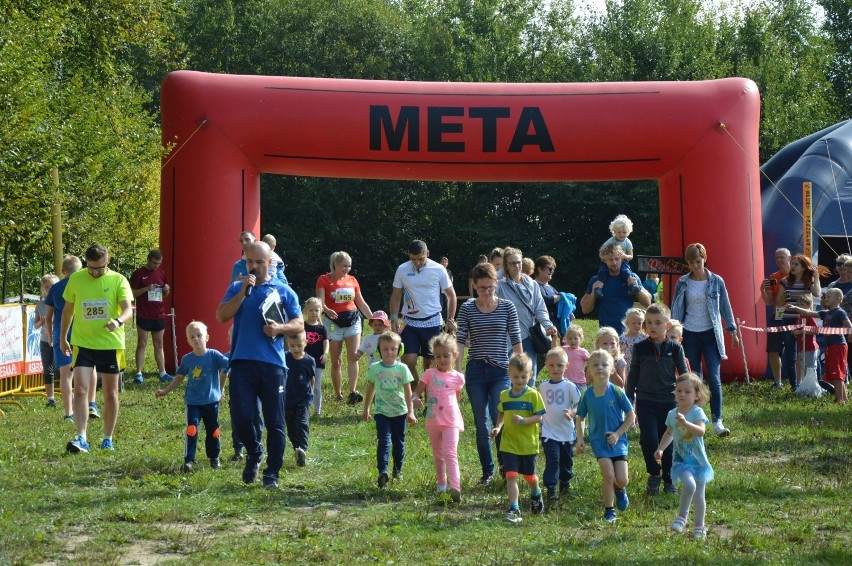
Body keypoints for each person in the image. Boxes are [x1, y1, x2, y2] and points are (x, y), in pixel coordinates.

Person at [216, 241, 303, 489]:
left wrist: (280, 328)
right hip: (242, 362)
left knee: (275, 420)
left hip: (273, 365)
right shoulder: (236, 287)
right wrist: (243, 292)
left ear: (270, 263)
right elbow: (221, 316)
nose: (253, 267)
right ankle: (254, 452)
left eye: (259, 262)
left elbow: (299, 324)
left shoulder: (284, 291)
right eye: (249, 261)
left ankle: (272, 472)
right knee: (242, 417)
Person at [61, 244, 133, 453]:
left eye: (99, 268)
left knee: (110, 393)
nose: (95, 272)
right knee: (81, 389)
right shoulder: (76, 279)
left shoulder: (118, 279)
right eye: (91, 268)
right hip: (83, 342)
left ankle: (107, 438)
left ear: (107, 261)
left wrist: (118, 321)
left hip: (110, 344)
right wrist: (63, 338)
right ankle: (81, 436)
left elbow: (128, 309)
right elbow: (68, 310)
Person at [456, 262, 522, 485]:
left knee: (498, 419)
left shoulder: (507, 307)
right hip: (475, 370)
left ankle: (506, 468)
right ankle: (487, 471)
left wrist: (520, 368)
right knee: (481, 424)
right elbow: (459, 342)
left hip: (500, 371)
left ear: (496, 284)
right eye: (481, 288)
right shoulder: (467, 308)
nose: (486, 292)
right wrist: (456, 371)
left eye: (490, 287)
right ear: (474, 286)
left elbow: (516, 340)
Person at [671, 243, 740, 436]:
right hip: (689, 334)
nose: (695, 265)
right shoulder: (682, 282)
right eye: (691, 262)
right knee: (695, 379)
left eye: (698, 261)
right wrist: (673, 331)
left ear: (705, 259)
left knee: (715, 378)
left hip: (711, 334)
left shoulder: (717, 281)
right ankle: (695, 420)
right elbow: (676, 308)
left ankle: (718, 421)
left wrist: (732, 330)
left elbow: (726, 306)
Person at [625, 303, 689, 495]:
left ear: (667, 325)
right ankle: (654, 474)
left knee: (667, 441)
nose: (653, 326)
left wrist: (687, 399)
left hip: (669, 402)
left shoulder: (676, 348)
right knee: (649, 439)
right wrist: (629, 401)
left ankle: (669, 480)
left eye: (658, 323)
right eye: (649, 322)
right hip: (645, 402)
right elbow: (633, 375)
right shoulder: (640, 348)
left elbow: (684, 375)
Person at [155, 321, 229, 472]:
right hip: (193, 403)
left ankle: (214, 458)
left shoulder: (214, 355)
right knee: (192, 429)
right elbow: (179, 378)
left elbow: (228, 366)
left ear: (207, 337)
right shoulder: (187, 359)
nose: (196, 339)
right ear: (188, 341)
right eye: (192, 337)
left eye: (199, 335)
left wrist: (221, 390)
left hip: (211, 402)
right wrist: (165, 391)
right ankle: (189, 460)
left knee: (213, 430)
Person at [576, 349, 635, 523]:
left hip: (618, 440)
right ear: (589, 371)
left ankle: (619, 489)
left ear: (612, 370)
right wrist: (580, 439)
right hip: (599, 441)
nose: (599, 367)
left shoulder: (616, 391)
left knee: (622, 479)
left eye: (604, 365)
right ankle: (609, 510)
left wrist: (618, 434)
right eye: (595, 365)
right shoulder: (586, 394)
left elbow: (631, 415)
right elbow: (580, 417)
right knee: (608, 475)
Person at [654, 372, 715, 541]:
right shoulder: (672, 413)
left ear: (697, 395)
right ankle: (682, 517)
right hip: (681, 460)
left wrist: (685, 423)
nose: (682, 394)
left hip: (699, 461)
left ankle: (699, 527)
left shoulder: (697, 412)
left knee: (699, 495)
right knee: (689, 485)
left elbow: (701, 431)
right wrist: (660, 448)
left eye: (687, 392)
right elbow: (669, 433)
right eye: (679, 390)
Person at [389, 240, 457, 386]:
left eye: (420, 259)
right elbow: (396, 295)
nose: (417, 263)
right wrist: (394, 318)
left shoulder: (438, 269)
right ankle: (415, 396)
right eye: (413, 259)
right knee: (408, 362)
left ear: (427, 253)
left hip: (432, 322)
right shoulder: (402, 269)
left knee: (430, 366)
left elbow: (451, 295)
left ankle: (429, 402)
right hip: (410, 322)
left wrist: (450, 320)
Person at [490, 353, 546, 523]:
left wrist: (524, 421)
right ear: (509, 374)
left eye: (523, 376)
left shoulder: (533, 395)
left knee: (529, 476)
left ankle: (536, 493)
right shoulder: (505, 395)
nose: (520, 380)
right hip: (509, 443)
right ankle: (514, 508)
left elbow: (539, 418)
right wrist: (498, 427)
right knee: (511, 475)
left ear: (530, 375)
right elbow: (501, 412)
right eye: (516, 377)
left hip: (528, 444)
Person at [411, 333, 465, 503]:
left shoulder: (458, 378)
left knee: (450, 452)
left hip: (451, 421)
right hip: (433, 420)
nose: (442, 360)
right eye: (438, 356)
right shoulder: (429, 374)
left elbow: (456, 398)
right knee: (438, 454)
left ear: (454, 355)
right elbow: (417, 392)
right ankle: (441, 484)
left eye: (446, 356)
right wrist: (415, 399)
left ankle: (455, 487)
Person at [315, 251, 373, 404]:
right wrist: (327, 310)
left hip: (353, 321)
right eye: (344, 266)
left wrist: (373, 319)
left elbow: (361, 302)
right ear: (336, 264)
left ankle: (353, 392)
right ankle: (338, 393)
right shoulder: (323, 279)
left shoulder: (352, 280)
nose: (347, 269)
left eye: (349, 266)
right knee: (336, 361)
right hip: (333, 323)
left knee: (354, 356)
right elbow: (320, 302)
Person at [361, 331, 417, 487]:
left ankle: (397, 471)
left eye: (393, 349)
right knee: (384, 441)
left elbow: (408, 392)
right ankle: (383, 471)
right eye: (385, 349)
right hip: (381, 412)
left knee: (399, 443)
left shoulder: (403, 368)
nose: (389, 352)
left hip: (400, 412)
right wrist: (366, 409)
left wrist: (410, 412)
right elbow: (370, 389)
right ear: (379, 350)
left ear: (399, 350)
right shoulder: (375, 368)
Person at [496, 246, 557, 383]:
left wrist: (548, 325)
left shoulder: (532, 284)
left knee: (530, 378)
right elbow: (490, 285)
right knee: (511, 379)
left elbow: (540, 308)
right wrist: (501, 272)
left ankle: (529, 403)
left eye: (519, 262)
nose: (517, 266)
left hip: (528, 336)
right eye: (512, 263)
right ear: (506, 265)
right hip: (508, 338)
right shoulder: (501, 285)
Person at [787, 288, 849, 403]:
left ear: (839, 299)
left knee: (837, 374)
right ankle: (842, 398)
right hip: (830, 346)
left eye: (830, 296)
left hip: (838, 346)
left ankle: (840, 399)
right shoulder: (825, 313)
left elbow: (848, 325)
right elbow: (808, 313)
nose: (826, 298)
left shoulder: (840, 312)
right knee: (834, 373)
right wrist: (796, 308)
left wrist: (848, 335)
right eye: (826, 296)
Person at [581, 242, 652, 336]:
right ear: (604, 261)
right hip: (606, 335)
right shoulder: (596, 280)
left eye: (617, 259)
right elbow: (585, 309)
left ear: (622, 259)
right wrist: (593, 293)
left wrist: (637, 288)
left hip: (628, 334)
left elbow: (648, 302)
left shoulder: (631, 277)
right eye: (610, 260)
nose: (614, 262)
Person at [539, 347, 581, 502]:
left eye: (560, 365)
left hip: (566, 432)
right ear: (546, 365)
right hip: (548, 432)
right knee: (553, 459)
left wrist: (571, 412)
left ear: (566, 366)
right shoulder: (543, 387)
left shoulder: (569, 386)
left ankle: (564, 481)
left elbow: (578, 404)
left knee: (566, 460)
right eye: (551, 365)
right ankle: (551, 488)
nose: (555, 369)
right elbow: (539, 406)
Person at [45, 256, 83, 421]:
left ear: (62, 271)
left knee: (65, 374)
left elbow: (48, 317)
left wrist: (50, 337)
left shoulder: (55, 288)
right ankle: (89, 404)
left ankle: (69, 412)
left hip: (61, 333)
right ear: (80, 269)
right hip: (82, 332)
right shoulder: (84, 285)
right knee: (84, 371)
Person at [130, 249, 172, 384]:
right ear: (148, 260)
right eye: (154, 263)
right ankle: (138, 373)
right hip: (144, 314)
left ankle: (163, 373)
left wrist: (167, 290)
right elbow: (132, 294)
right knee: (142, 343)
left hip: (158, 314)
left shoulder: (161, 273)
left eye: (159, 263)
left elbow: (164, 295)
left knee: (159, 344)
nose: (156, 266)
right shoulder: (138, 274)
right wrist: (146, 288)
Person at [759, 248, 793, 387]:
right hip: (778, 313)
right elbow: (768, 302)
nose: (779, 260)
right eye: (777, 257)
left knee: (793, 349)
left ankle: (796, 382)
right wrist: (762, 290)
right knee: (773, 349)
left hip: (794, 313)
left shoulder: (798, 274)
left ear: (789, 258)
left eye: (782, 257)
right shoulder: (773, 277)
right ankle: (777, 381)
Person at [285, 331, 315, 467]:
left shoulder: (309, 361)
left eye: (299, 346)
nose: (296, 349)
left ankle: (302, 448)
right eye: (292, 346)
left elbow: (311, 379)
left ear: (305, 344)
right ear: (288, 345)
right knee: (291, 427)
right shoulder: (285, 358)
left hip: (303, 398)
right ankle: (297, 450)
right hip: (287, 398)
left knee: (302, 423)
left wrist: (311, 393)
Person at [593, 214, 640, 295]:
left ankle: (632, 287)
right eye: (619, 232)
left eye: (624, 232)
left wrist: (625, 256)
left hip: (623, 262)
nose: (622, 234)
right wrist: (603, 258)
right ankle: (599, 288)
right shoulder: (611, 240)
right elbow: (602, 250)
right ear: (614, 232)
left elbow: (631, 256)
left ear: (628, 232)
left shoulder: (627, 242)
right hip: (610, 260)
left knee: (626, 271)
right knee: (603, 271)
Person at [34, 274, 59, 407]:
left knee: (61, 368)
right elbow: (35, 325)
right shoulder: (40, 304)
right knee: (47, 369)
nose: (49, 289)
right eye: (46, 286)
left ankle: (70, 391)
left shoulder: (61, 301)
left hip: (59, 339)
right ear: (43, 289)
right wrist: (43, 321)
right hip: (44, 340)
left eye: (52, 286)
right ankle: (50, 398)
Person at [302, 298, 329, 417]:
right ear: (306, 311)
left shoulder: (322, 328)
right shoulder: (302, 326)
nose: (314, 313)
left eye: (316, 310)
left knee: (317, 386)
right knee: (305, 384)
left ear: (321, 311)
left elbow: (325, 342)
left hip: (318, 360)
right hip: (304, 360)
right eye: (311, 310)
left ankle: (317, 411)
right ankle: (305, 408)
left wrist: (325, 354)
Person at [790, 294, 821, 395]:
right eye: (798, 304)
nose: (799, 306)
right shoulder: (799, 317)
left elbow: (815, 331)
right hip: (802, 347)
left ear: (808, 305)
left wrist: (801, 331)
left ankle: (814, 390)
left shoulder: (809, 316)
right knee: (803, 368)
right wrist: (795, 332)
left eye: (802, 304)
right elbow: (799, 330)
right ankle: (805, 387)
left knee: (810, 369)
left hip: (810, 347)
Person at [562, 325, 590, 394]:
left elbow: (591, 363)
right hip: (566, 381)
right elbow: (554, 351)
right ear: (566, 339)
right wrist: (554, 338)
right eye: (570, 338)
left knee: (580, 400)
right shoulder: (564, 349)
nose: (572, 341)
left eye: (575, 338)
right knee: (567, 401)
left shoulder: (583, 352)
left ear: (581, 338)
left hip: (579, 382)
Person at [439, 256, 454, 326]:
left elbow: (451, 280)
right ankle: (440, 322)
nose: (444, 263)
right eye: (443, 262)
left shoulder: (449, 272)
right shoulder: (438, 271)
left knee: (447, 307)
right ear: (440, 263)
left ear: (447, 263)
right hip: (439, 292)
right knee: (440, 306)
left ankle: (447, 323)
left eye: (445, 262)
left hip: (447, 292)